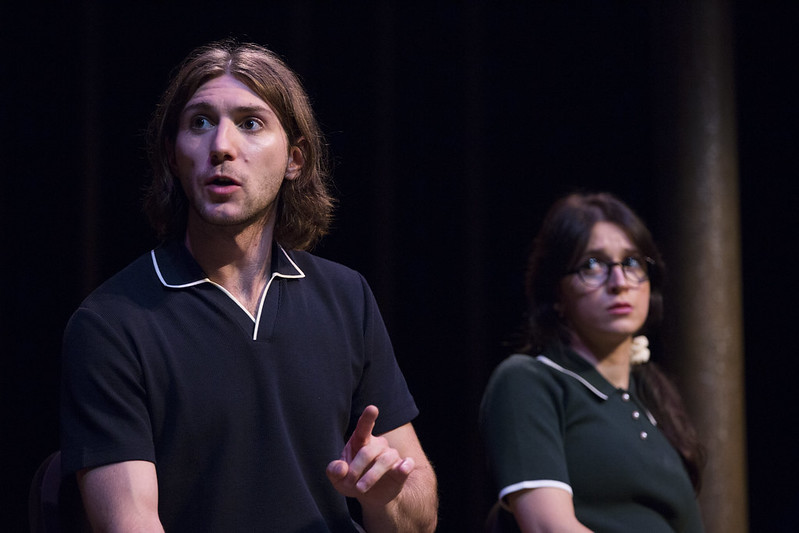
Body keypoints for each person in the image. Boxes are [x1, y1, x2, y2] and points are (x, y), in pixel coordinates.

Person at [60, 39, 438, 533]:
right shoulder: (112, 322)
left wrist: (384, 498)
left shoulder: (347, 298)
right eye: (199, 123)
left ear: (294, 160)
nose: (221, 146)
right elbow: (130, 523)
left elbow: (420, 519)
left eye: (250, 123)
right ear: (174, 157)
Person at [479, 192, 705, 532]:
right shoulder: (529, 381)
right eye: (592, 265)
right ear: (556, 293)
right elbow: (548, 527)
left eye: (632, 263)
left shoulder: (653, 398)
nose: (619, 283)